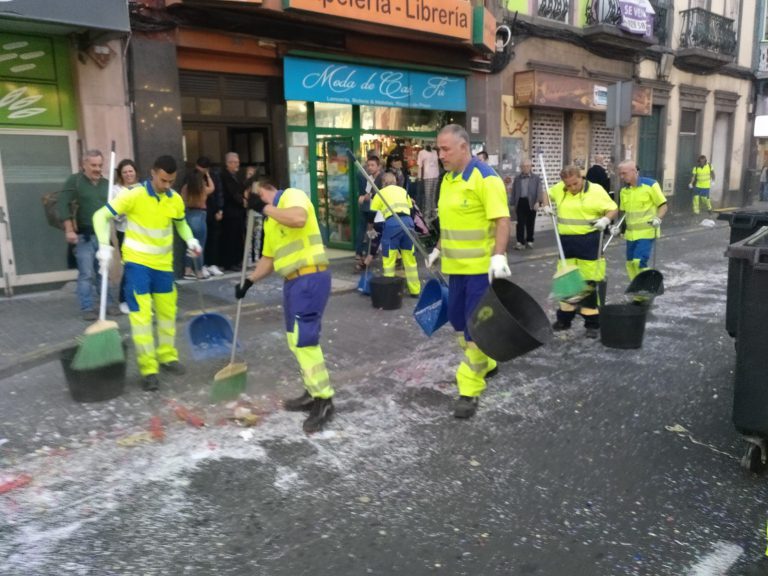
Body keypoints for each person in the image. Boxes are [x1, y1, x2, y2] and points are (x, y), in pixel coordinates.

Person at [92, 155, 201, 391]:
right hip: (138, 265)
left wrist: (190, 239)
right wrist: (103, 245)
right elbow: (100, 216)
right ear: (152, 173)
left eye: (171, 181)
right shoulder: (133, 195)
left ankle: (166, 356)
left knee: (167, 314)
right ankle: (148, 368)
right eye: (163, 180)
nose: (166, 186)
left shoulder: (175, 200)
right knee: (141, 319)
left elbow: (181, 223)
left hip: (163, 266)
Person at [424, 124, 511, 419]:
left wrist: (498, 257)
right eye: (438, 149)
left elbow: (501, 220)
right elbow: (450, 224)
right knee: (460, 325)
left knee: (474, 331)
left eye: (445, 149)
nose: (440, 154)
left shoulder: (485, 178)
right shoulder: (448, 180)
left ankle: (469, 390)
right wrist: (438, 248)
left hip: (479, 271)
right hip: (455, 270)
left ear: (464, 147)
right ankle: (487, 362)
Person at [235, 179, 334, 434]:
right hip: (292, 282)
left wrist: (264, 208)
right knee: (294, 339)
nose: (253, 207)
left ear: (261, 191)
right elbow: (269, 259)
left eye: (253, 200)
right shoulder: (270, 221)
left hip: (310, 277)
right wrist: (249, 281)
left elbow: (298, 219)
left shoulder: (292, 197)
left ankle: (324, 399)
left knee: (305, 339)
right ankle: (312, 392)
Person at [545, 165, 618, 338]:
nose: (572, 188)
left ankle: (592, 322)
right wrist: (546, 205)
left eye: (575, 184)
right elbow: (546, 193)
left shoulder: (596, 190)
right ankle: (564, 319)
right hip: (566, 242)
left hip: (589, 241)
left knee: (588, 283)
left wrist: (605, 220)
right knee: (566, 282)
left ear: (581, 178)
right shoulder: (560, 189)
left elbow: (613, 208)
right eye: (568, 185)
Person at [58, 149, 119, 321]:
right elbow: (63, 205)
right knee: (86, 274)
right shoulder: (75, 181)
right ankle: (87, 307)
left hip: (103, 236)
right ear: (84, 164)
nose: (97, 169)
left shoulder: (107, 185)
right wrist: (69, 229)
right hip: (83, 236)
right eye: (93, 165)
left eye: (100, 165)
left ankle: (108, 304)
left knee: (103, 272)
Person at [613, 160, 668, 281]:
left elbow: (663, 205)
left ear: (634, 171)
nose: (622, 177)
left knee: (638, 262)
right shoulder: (624, 191)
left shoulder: (651, 185)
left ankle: (649, 284)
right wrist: (617, 226)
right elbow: (625, 213)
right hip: (631, 235)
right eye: (620, 174)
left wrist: (658, 218)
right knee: (630, 263)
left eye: (624, 173)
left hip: (647, 232)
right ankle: (637, 292)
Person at [370, 171, 421, 297]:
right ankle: (415, 290)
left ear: (383, 183)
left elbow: (372, 212)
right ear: (395, 181)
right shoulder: (403, 191)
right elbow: (410, 206)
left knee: (389, 259)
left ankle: (389, 291)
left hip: (392, 224)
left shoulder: (380, 193)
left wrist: (371, 228)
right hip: (408, 224)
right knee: (410, 259)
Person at [113, 158, 141, 314]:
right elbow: (114, 214)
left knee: (143, 267)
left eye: (131, 171)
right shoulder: (116, 190)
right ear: (120, 174)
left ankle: (140, 298)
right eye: (125, 172)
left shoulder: (141, 188)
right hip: (125, 232)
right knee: (129, 266)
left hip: (142, 232)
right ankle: (123, 299)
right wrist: (126, 210)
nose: (128, 174)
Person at [181, 168, 215, 280]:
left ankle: (187, 270)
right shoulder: (202, 189)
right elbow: (212, 188)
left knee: (190, 245)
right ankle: (199, 272)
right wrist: (208, 175)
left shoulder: (185, 188)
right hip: (200, 216)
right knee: (199, 245)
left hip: (187, 215)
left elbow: (182, 201)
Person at [196, 156, 224, 277]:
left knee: (213, 238)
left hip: (212, 210)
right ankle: (202, 265)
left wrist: (220, 209)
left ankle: (213, 264)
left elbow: (219, 192)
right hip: (199, 210)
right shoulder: (193, 176)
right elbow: (209, 190)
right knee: (202, 240)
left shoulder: (214, 175)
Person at [509, 159, 544, 250]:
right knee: (520, 223)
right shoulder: (517, 178)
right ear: (520, 167)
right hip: (520, 202)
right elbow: (514, 191)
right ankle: (520, 242)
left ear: (531, 167)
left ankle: (530, 241)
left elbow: (539, 191)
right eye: (523, 166)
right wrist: (512, 203)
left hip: (531, 202)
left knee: (530, 222)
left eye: (528, 166)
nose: (525, 168)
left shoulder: (536, 178)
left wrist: (538, 202)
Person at [220, 152, 247, 271]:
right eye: (235, 162)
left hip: (238, 212)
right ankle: (230, 262)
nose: (237, 164)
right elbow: (231, 193)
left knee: (238, 237)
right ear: (228, 163)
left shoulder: (236, 176)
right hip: (230, 212)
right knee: (231, 237)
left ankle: (238, 260)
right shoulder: (224, 176)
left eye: (238, 162)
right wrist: (242, 201)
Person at [356, 155, 384, 271]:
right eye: (368, 165)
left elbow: (374, 193)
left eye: (373, 165)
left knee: (374, 233)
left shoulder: (381, 178)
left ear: (379, 166)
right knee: (370, 232)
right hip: (371, 210)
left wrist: (364, 198)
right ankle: (367, 255)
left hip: (379, 212)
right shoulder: (370, 178)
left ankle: (368, 257)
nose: (370, 168)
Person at [417, 144, 440, 224]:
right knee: (427, 197)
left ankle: (434, 216)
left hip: (436, 176)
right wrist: (419, 177)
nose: (430, 144)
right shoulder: (421, 152)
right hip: (427, 177)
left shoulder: (435, 152)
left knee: (434, 197)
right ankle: (426, 217)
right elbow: (419, 166)